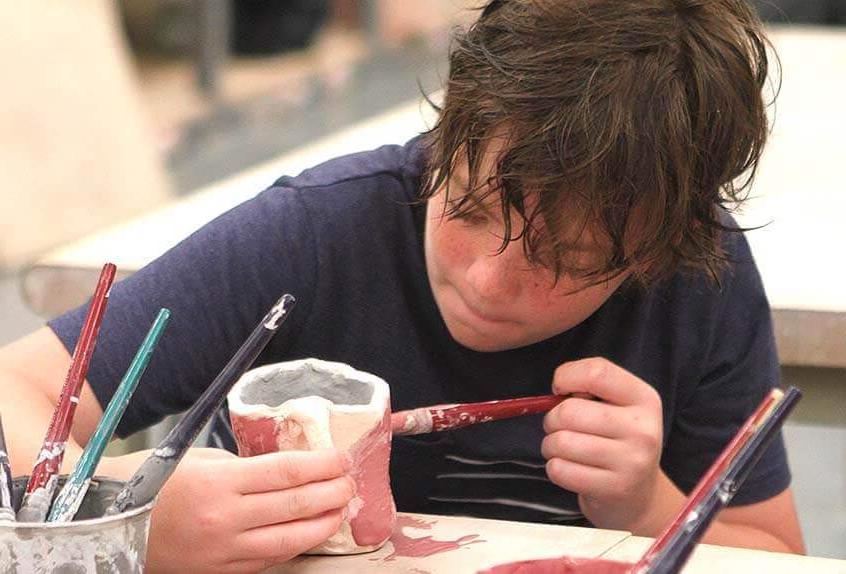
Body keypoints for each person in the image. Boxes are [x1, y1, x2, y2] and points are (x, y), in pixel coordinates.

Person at [0, 1, 806, 571]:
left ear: (658, 253)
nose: (491, 278)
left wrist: (648, 507)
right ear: (449, 130)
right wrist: (127, 520)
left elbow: (777, 557)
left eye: (567, 257)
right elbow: (17, 388)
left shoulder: (701, 288)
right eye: (470, 203)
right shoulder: (317, 233)